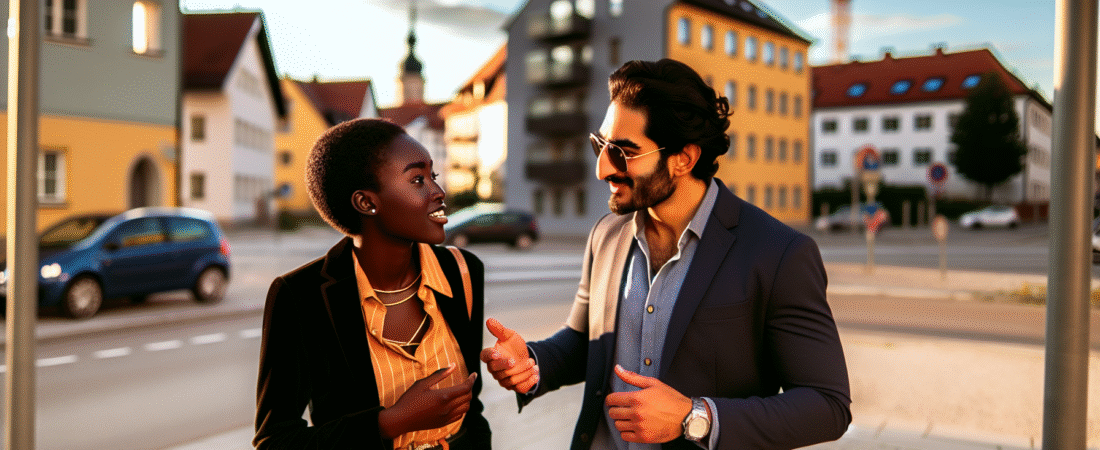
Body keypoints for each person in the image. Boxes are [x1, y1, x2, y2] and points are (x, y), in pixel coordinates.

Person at [481, 59, 851, 450]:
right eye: (600, 146)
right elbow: (584, 343)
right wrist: (533, 363)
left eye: (623, 152)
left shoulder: (779, 253)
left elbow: (826, 406)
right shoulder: (605, 235)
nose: (602, 169)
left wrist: (695, 417)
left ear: (683, 159)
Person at [254, 118, 491, 449]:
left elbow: (473, 410)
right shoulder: (299, 296)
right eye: (418, 179)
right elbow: (275, 441)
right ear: (366, 203)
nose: (439, 192)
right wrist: (391, 422)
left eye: (433, 176)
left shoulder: (463, 273)